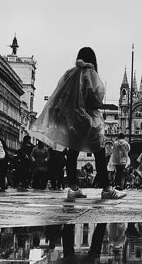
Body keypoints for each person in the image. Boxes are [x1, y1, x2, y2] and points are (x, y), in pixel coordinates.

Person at [31, 46, 125, 201]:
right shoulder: (90, 74)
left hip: (71, 119)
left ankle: (73, 188)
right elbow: (96, 97)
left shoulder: (69, 74)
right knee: (99, 153)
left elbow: (59, 94)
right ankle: (106, 188)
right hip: (88, 118)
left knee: (72, 152)